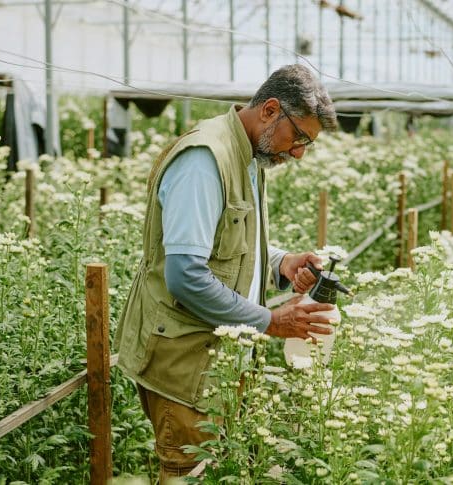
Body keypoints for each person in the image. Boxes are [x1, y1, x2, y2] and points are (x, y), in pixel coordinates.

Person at [113, 64, 339, 482]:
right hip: (185, 366)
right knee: (188, 473)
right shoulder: (205, 160)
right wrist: (270, 321)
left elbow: (228, 245)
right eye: (300, 137)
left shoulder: (248, 156)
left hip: (217, 360)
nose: (299, 152)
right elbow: (185, 275)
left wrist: (281, 263)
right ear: (270, 110)